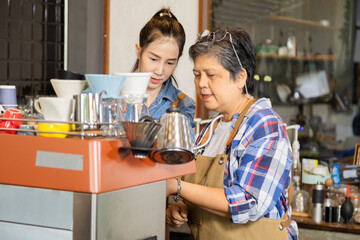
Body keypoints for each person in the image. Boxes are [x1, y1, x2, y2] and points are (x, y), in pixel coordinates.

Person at [166, 28, 298, 240]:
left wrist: (178, 188)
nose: (201, 83)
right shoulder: (210, 130)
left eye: (211, 75)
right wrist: (179, 207)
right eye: (197, 75)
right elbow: (195, 193)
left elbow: (249, 201)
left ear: (240, 77)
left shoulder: (264, 125)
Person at [129, 8, 195, 134]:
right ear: (139, 51)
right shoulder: (110, 94)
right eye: (154, 59)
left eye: (170, 62)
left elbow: (181, 151)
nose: (159, 71)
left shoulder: (183, 105)